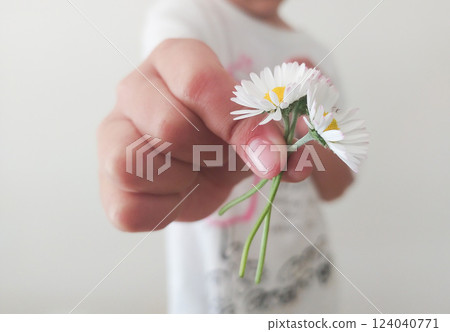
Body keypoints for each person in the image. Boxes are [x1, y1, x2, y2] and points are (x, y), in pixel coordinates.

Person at [97, 0, 353, 313]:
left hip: (311, 290)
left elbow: (336, 185)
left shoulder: (316, 52)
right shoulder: (190, 18)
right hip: (214, 299)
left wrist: (312, 123)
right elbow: (173, 74)